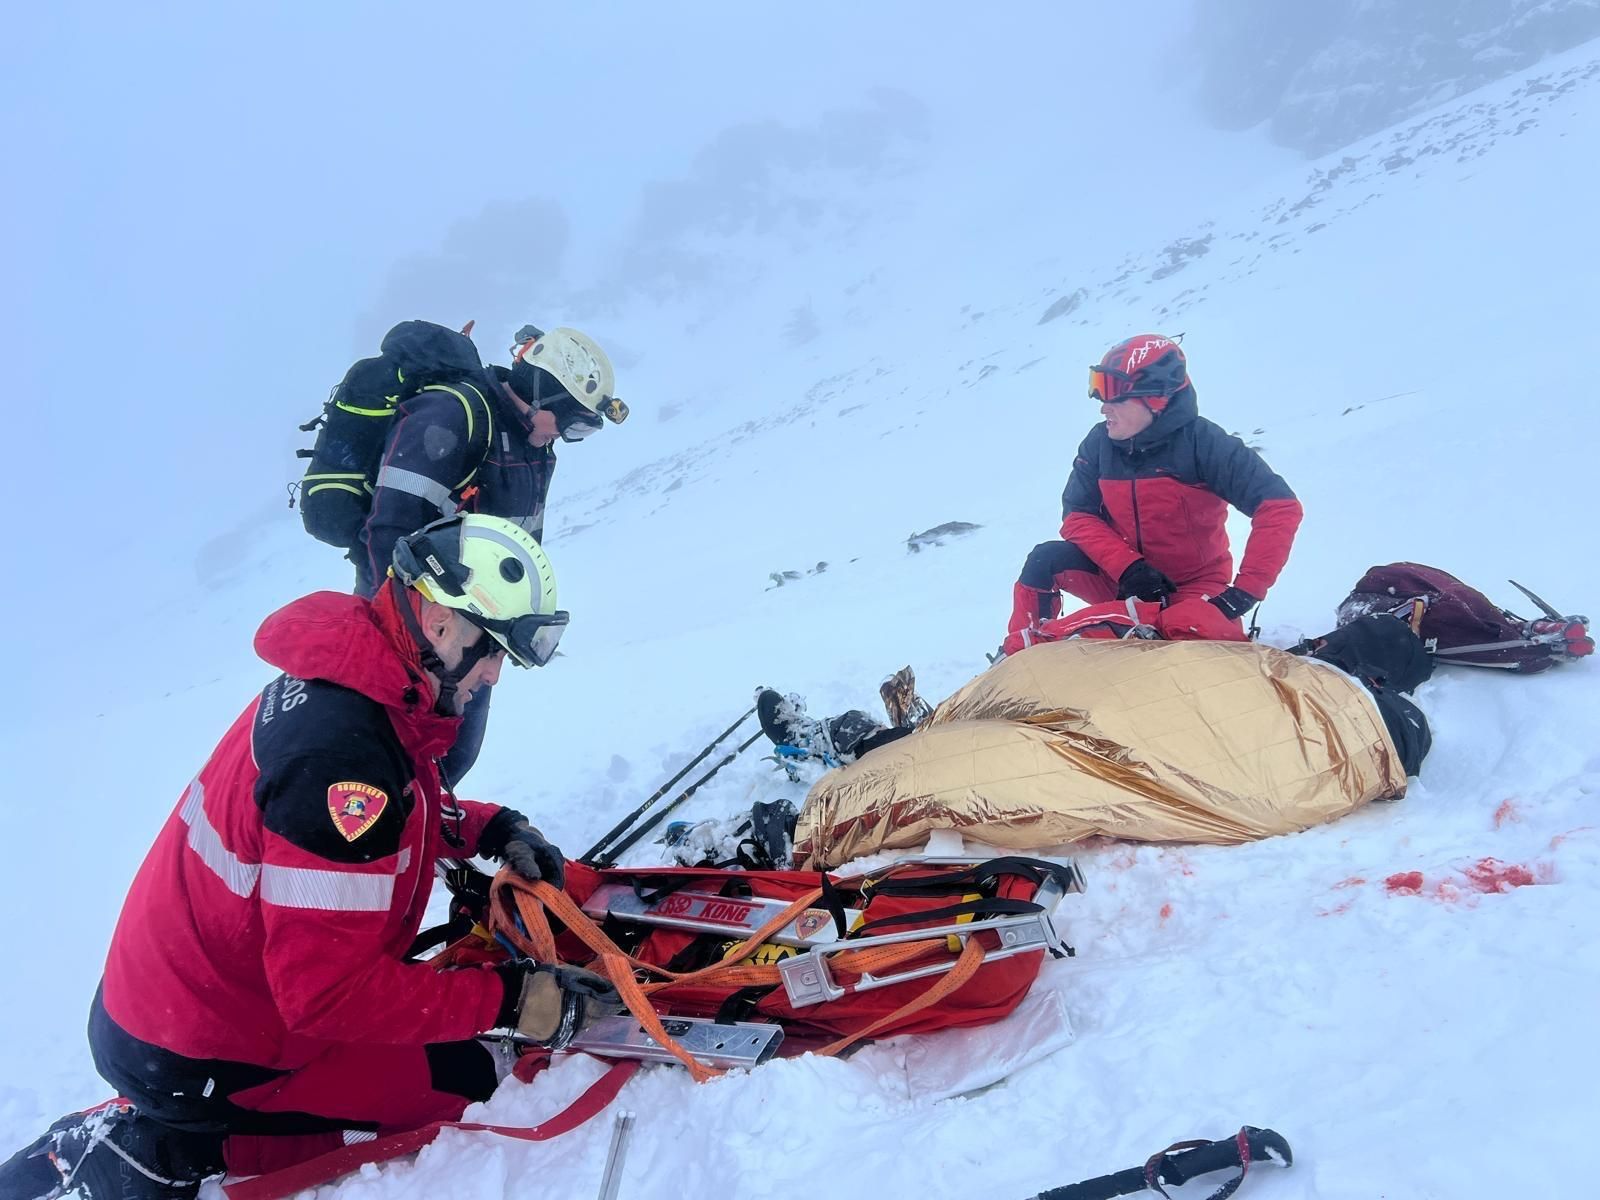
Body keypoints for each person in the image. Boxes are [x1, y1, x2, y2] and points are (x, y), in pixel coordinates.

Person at [1, 514, 618, 1200]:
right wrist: (513, 1000)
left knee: (440, 1042)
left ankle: (183, 1110)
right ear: (440, 621)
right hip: (208, 1048)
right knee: (466, 1080)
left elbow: (395, 810)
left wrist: (493, 829)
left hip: (177, 1009)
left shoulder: (360, 680)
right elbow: (328, 997)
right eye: (491, 647)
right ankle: (173, 1145)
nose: (495, 674)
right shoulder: (340, 756)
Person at [354, 324, 626, 784]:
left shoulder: (537, 452)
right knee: (387, 767)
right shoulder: (451, 416)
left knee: (451, 760)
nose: (566, 437)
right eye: (571, 422)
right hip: (414, 645)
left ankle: (429, 841)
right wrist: (418, 654)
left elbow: (522, 548)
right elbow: (387, 534)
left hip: (475, 645)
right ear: (543, 394)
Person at [1001, 334, 1303, 657]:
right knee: (1045, 560)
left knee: (1180, 627)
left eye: (1115, 398)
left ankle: (1038, 651)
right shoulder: (1099, 444)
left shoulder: (1204, 443)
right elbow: (1077, 516)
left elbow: (1279, 507)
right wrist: (1129, 567)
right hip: (1123, 580)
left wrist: (1244, 593)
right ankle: (1019, 659)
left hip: (1191, 589)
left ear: (1156, 399)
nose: (1103, 408)